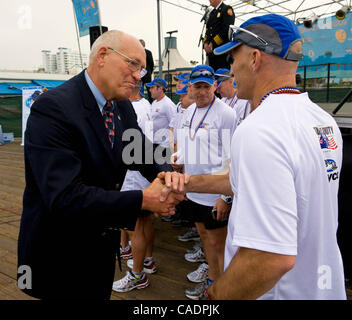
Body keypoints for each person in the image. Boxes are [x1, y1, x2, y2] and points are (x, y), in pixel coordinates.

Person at [160, 14, 347, 300]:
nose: (231, 71)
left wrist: (216, 296)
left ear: (255, 58)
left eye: (234, 59)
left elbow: (271, 258)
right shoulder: (323, 120)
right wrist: (182, 184)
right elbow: (236, 183)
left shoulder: (260, 129)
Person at [17, 30, 184, 300]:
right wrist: (143, 199)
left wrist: (165, 172)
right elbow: (64, 197)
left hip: (101, 249)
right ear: (103, 56)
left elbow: (140, 150)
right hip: (60, 255)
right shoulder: (52, 108)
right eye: (133, 64)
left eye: (142, 69)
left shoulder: (121, 107)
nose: (138, 75)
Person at [174, 64, 236, 300]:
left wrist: (225, 197)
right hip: (194, 189)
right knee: (204, 239)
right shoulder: (188, 112)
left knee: (218, 246)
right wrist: (178, 161)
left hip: (215, 192)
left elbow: (233, 157)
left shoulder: (226, 114)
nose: (202, 92)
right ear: (190, 87)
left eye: (206, 87)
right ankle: (213, 282)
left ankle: (220, 292)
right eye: (197, 86)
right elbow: (185, 142)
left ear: (215, 86)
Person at [113, 82, 157, 292]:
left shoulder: (129, 107)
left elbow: (130, 144)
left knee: (134, 226)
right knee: (145, 220)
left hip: (133, 172)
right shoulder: (146, 104)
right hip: (144, 171)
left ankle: (137, 274)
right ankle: (147, 260)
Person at [203, 0, 235, 71]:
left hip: (222, 52)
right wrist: (205, 43)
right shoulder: (212, 13)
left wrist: (212, 43)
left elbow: (226, 30)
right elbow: (208, 31)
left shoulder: (227, 9)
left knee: (222, 76)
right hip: (212, 53)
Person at [146, 77, 177, 150]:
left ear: (160, 89)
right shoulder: (154, 102)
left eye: (152, 87)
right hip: (154, 143)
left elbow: (174, 125)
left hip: (164, 146)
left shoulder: (168, 104)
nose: (150, 90)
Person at [140, 39, 154, 103]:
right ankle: (142, 101)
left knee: (149, 90)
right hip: (142, 74)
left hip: (145, 74)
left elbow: (151, 64)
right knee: (140, 89)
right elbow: (152, 64)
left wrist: (149, 72)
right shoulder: (148, 52)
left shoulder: (148, 52)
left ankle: (150, 102)